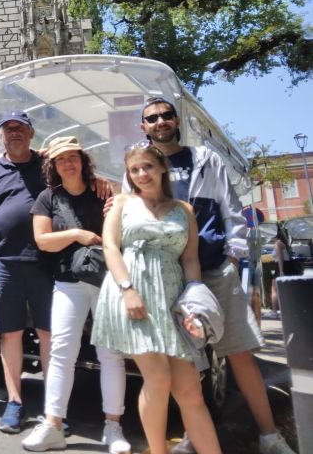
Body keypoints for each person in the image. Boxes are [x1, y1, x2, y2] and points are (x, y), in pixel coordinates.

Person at [138, 97, 296, 454]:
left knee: (239, 354)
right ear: (143, 127)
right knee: (189, 367)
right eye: (152, 118)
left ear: (176, 121)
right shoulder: (144, 167)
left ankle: (270, 435)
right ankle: (197, 436)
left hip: (213, 271)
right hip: (169, 280)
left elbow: (232, 211)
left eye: (166, 115)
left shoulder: (204, 159)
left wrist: (231, 257)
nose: (160, 121)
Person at [92, 141, 221, 454]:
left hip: (172, 298)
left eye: (147, 166)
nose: (141, 174)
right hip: (132, 294)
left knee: (191, 391)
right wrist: (127, 289)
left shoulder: (184, 210)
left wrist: (194, 303)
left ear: (162, 167)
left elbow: (190, 259)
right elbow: (110, 247)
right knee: (158, 377)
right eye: (134, 169)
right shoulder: (121, 202)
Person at [22, 137, 130, 453]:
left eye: (73, 157)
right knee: (61, 354)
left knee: (110, 353)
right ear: (53, 166)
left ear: (83, 160)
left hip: (105, 280)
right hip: (67, 282)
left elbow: (122, 230)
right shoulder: (48, 198)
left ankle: (113, 427)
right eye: (60, 159)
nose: (68, 163)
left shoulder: (103, 191)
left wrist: (116, 201)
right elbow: (43, 241)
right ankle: (53, 424)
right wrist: (76, 235)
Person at [0, 110, 54, 433]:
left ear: (31, 133)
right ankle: (15, 402)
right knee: (11, 334)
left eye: (20, 129)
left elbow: (81, 169)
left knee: (49, 334)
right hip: (4, 263)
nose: (14, 134)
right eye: (8, 129)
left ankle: (53, 406)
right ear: (1, 136)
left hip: (44, 262)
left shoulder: (48, 167)